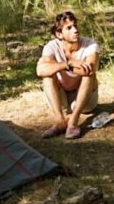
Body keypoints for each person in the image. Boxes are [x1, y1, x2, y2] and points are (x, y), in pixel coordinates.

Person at [36, 11, 100, 140]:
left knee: (89, 75)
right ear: (59, 34)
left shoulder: (90, 44)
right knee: (47, 76)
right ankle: (60, 122)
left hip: (85, 101)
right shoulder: (51, 47)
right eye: (69, 28)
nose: (75, 30)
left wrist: (55, 65)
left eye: (75, 25)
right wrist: (68, 64)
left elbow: (88, 70)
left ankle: (73, 122)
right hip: (63, 98)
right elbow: (40, 71)